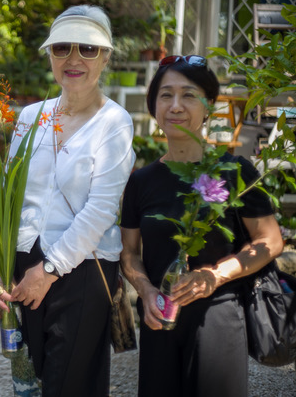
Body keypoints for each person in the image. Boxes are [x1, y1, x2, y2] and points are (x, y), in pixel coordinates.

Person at [119, 55, 284, 396]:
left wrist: (214, 275)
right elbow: (130, 253)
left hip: (218, 316)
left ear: (209, 105)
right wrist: (146, 290)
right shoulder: (141, 182)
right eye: (165, 95)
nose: (175, 106)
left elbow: (270, 240)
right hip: (159, 317)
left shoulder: (236, 172)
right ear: (154, 106)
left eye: (188, 95)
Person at [0, 4, 135, 396]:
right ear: (50, 55)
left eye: (88, 49)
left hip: (82, 270)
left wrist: (49, 271)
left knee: (68, 382)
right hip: (25, 262)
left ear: (105, 56)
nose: (73, 59)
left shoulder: (114, 123)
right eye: (62, 48)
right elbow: (11, 198)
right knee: (32, 375)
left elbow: (101, 209)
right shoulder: (30, 117)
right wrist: (4, 269)